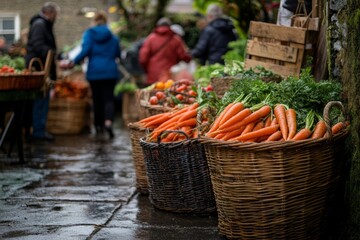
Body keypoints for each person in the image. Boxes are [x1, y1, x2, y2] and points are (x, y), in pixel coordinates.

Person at [69, 11, 121, 139]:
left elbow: (85, 50)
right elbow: (117, 54)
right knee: (109, 99)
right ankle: (108, 122)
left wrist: (73, 61)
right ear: (105, 21)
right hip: (110, 72)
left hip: (94, 72)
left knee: (97, 100)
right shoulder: (113, 37)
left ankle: (98, 126)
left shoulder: (89, 34)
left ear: (94, 21)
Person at [25, 2, 59, 141]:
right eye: (55, 15)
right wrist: (52, 53)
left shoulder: (42, 24)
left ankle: (39, 129)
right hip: (39, 69)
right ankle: (38, 131)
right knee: (40, 98)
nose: (55, 18)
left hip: (42, 67)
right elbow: (38, 45)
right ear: (50, 13)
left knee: (42, 99)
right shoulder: (40, 25)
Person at [139, 17, 191, 86]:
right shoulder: (176, 39)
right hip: (169, 76)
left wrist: (147, 70)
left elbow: (143, 58)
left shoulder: (150, 38)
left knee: (151, 94)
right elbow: (184, 56)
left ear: (157, 26)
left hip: (152, 75)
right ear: (170, 27)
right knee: (167, 95)